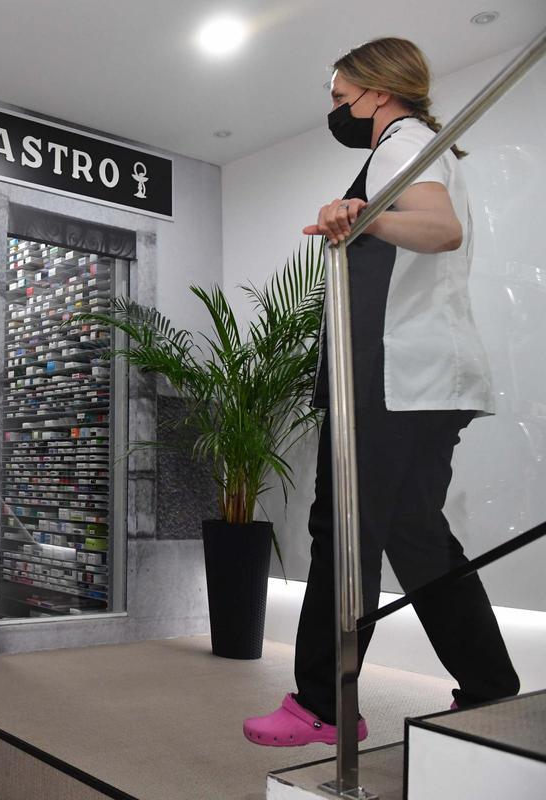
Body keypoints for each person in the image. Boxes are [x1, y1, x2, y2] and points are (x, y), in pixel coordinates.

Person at [243, 37, 520, 747]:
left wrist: (355, 215)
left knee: (344, 530)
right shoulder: (424, 144)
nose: (338, 110)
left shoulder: (400, 140)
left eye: (341, 98)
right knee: (417, 539)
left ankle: (322, 704)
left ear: (377, 91)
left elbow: (440, 229)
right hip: (427, 378)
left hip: (397, 380)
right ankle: (491, 692)